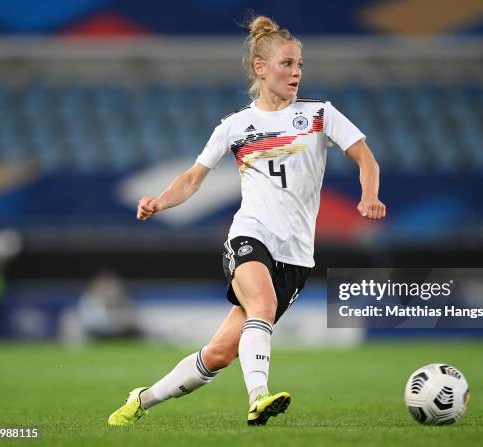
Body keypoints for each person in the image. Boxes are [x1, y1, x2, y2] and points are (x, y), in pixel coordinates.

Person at [108, 15, 386, 427]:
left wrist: (369, 194)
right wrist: (160, 203)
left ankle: (141, 400)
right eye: (286, 64)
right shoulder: (236, 126)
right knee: (262, 302)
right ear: (261, 67)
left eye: (299, 65)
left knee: (220, 352)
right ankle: (258, 398)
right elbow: (192, 179)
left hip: (296, 255)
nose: (296, 73)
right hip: (250, 233)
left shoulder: (320, 115)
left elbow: (365, 156)